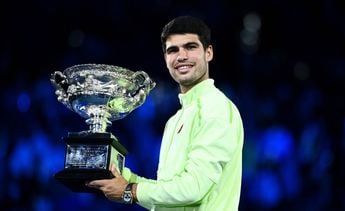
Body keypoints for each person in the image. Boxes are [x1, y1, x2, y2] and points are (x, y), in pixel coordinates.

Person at [87, 15, 244, 210]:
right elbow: (169, 194)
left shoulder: (216, 107)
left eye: (191, 47)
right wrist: (121, 176)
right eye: (173, 50)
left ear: (208, 53)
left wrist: (131, 191)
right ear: (166, 59)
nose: (182, 56)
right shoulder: (175, 120)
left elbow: (194, 188)